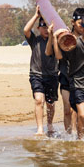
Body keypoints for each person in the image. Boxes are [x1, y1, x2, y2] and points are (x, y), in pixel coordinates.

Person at [24, 7, 58, 135]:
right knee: (39, 100)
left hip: (52, 75)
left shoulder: (55, 40)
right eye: (42, 27)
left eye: (47, 26)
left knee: (50, 103)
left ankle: (49, 124)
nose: (45, 29)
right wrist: (36, 16)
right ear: (38, 29)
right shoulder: (35, 40)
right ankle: (40, 128)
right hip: (36, 75)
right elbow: (26, 30)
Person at [57, 7, 84, 134]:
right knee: (67, 110)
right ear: (73, 22)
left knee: (77, 110)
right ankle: (69, 136)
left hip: (81, 78)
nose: (83, 27)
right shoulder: (65, 37)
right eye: (80, 23)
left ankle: (77, 134)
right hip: (65, 76)